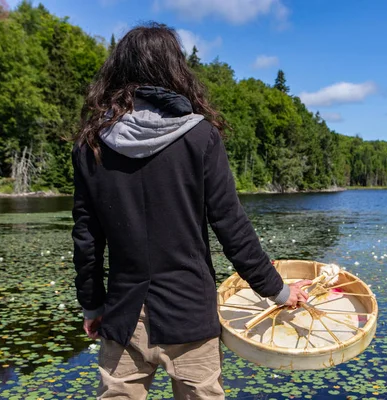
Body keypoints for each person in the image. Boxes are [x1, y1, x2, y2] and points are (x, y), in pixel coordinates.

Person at [71, 22, 311, 400]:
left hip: (124, 314)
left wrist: (92, 305)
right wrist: (277, 291)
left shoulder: (92, 145)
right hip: (190, 315)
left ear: (118, 72)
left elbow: (86, 239)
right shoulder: (200, 136)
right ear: (174, 71)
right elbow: (231, 226)